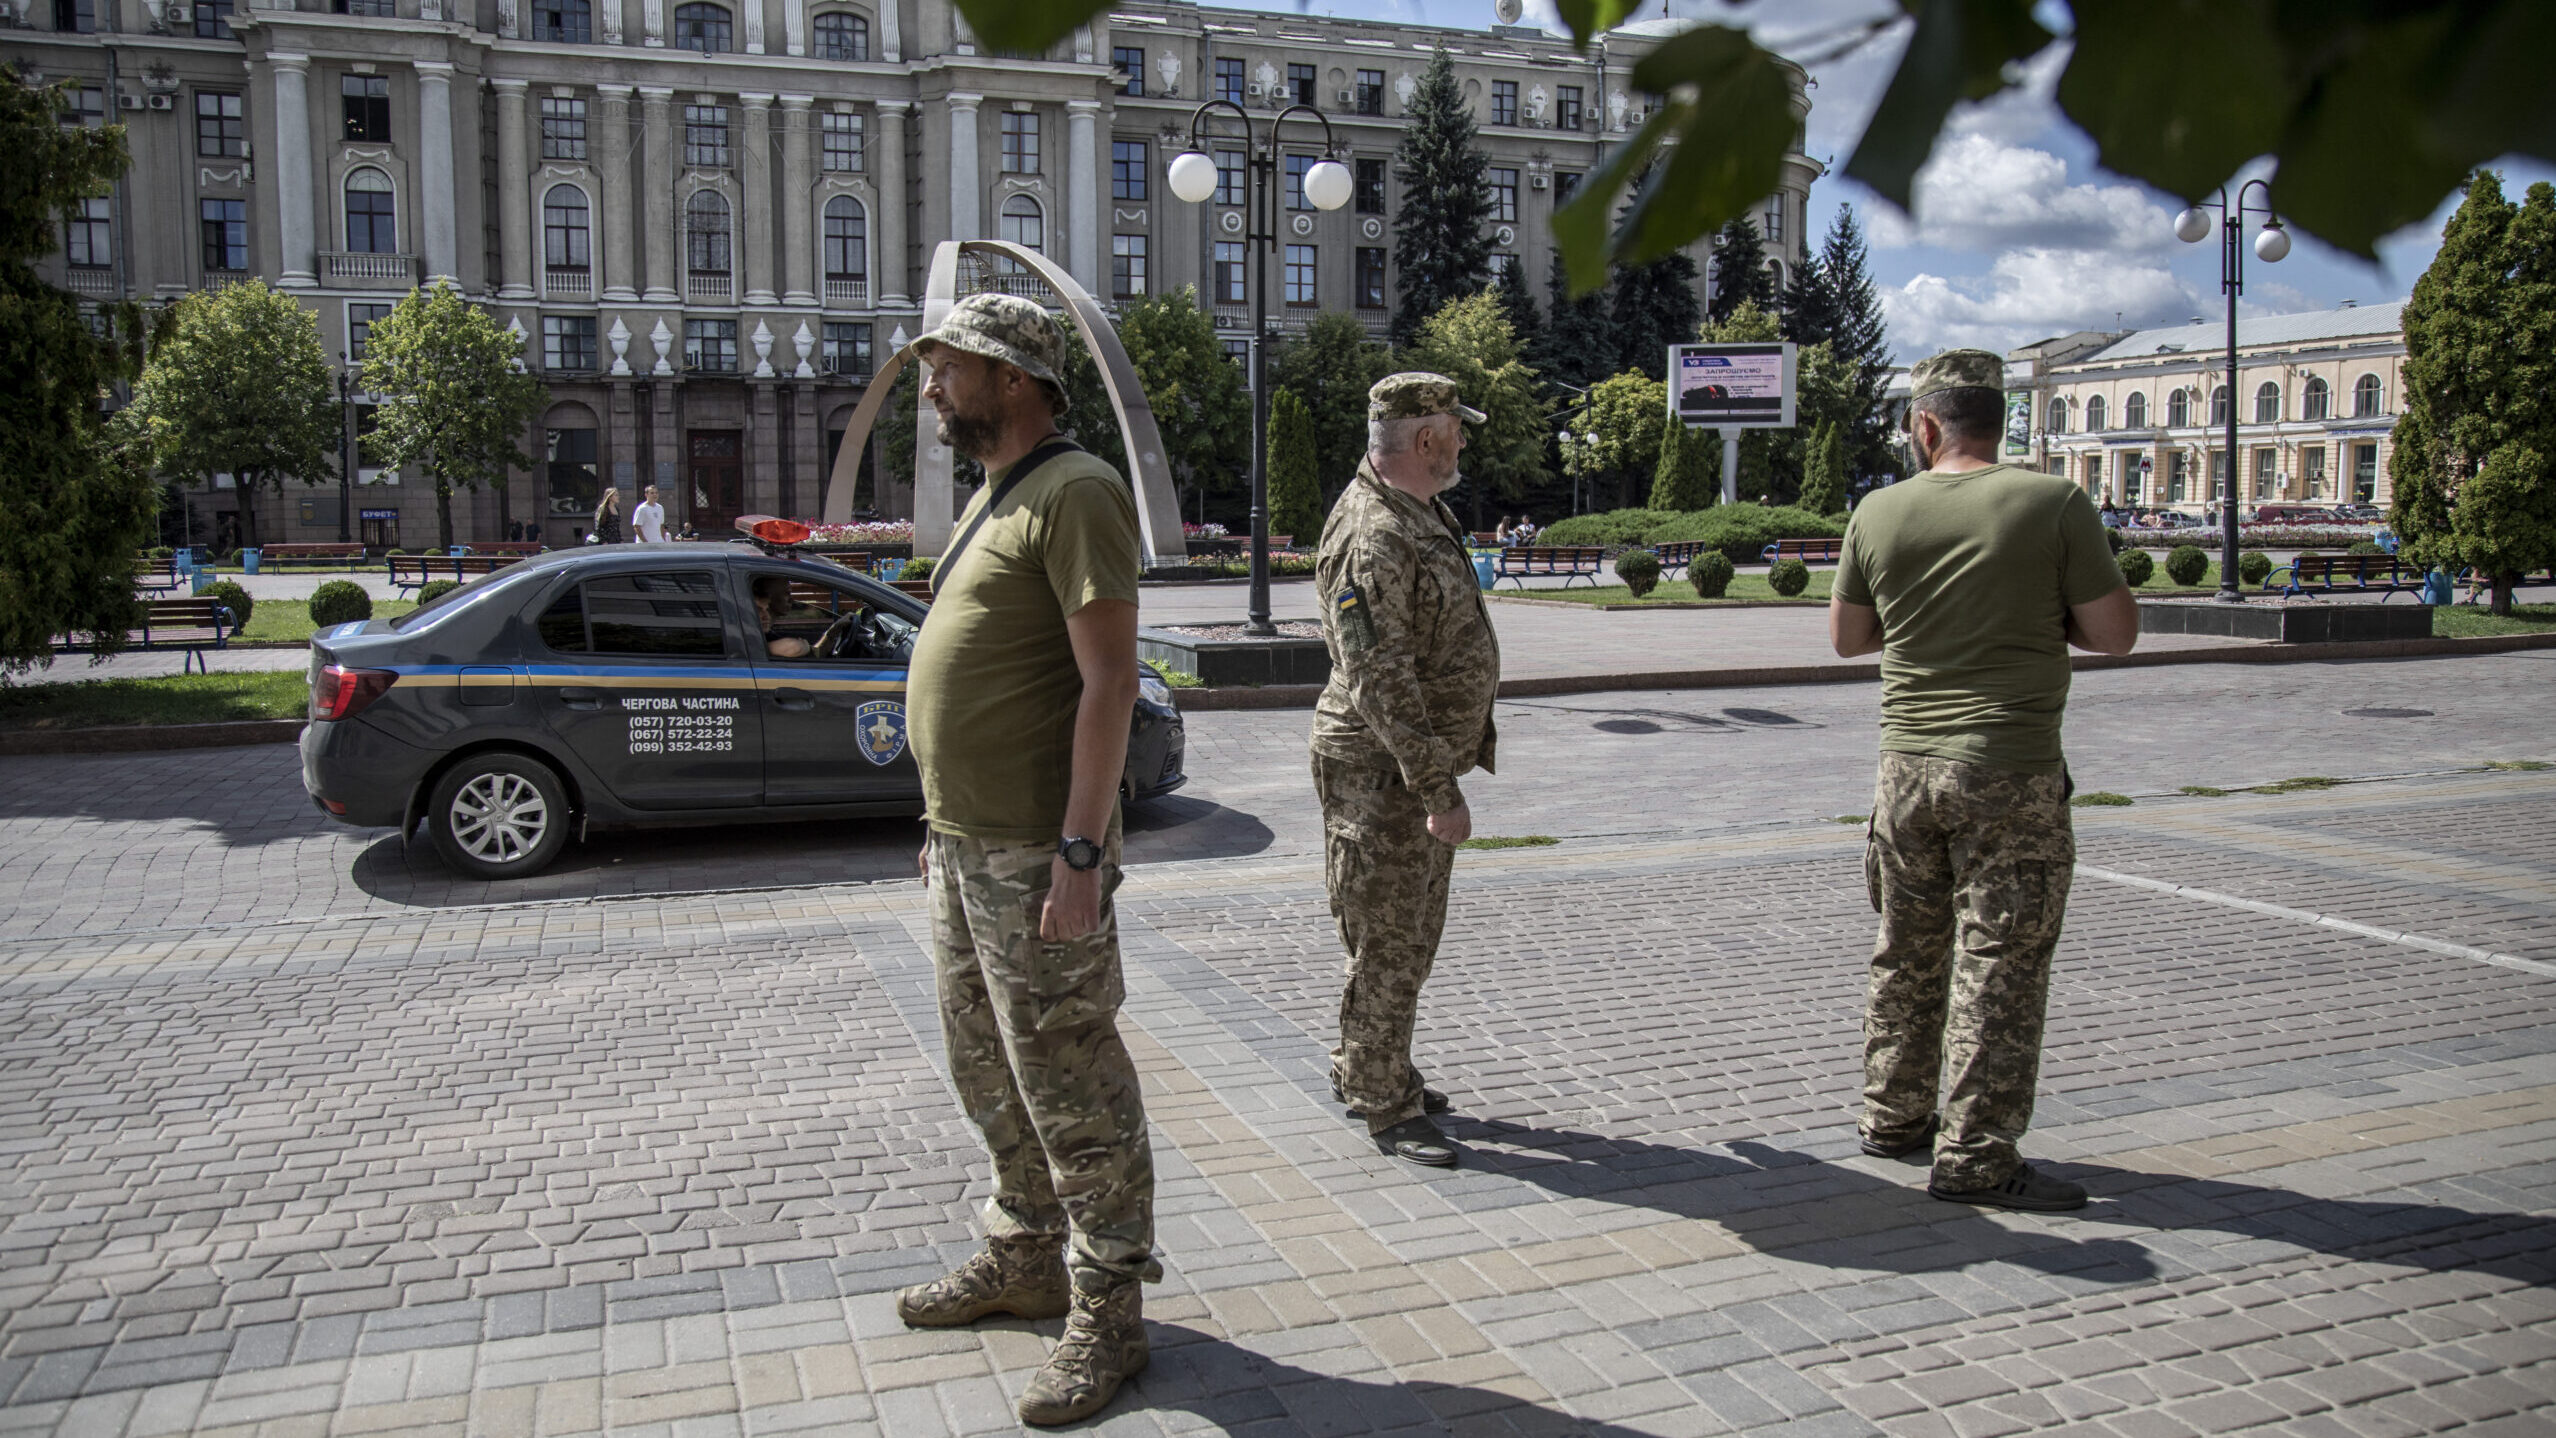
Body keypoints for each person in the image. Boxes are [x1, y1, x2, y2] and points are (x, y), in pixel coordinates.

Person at [894, 293, 1157, 1428]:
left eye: (945, 367)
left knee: (1071, 1081)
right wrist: (938, 823)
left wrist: (1083, 854)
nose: (930, 387)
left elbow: (1109, 684)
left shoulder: (1078, 490)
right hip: (965, 849)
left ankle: (1109, 1306)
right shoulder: (994, 496)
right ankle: (1026, 1253)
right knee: (987, 1071)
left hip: (1036, 857)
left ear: (1011, 375)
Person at [1827, 348, 2139, 1214]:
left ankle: (1891, 1117)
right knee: (2000, 963)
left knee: (1905, 950)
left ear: (1925, 427)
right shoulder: (2053, 502)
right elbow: (2116, 634)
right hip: (2011, 768)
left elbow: (1849, 639)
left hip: (1904, 772)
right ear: (1998, 421)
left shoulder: (1879, 510)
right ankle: (1975, 1155)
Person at [1310, 373, 1500, 1170]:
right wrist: (1437, 789)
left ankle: (1374, 1061)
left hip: (1407, 769)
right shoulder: (1374, 534)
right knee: (1389, 937)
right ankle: (1384, 1100)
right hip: (1382, 775)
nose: (1462, 441)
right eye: (1456, 428)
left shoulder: (1418, 513)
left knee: (1407, 935)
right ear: (1426, 439)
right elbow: (1377, 676)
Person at [748, 575, 812, 658]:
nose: (766, 616)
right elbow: (794, 648)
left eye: (767, 610)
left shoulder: (765, 635)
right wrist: (804, 645)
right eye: (759, 610)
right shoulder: (742, 640)